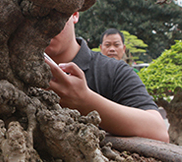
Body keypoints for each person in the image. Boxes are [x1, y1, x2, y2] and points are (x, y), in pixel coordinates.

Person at [45, 12, 169, 143]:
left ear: (75, 14)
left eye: (53, 12)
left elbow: (159, 131)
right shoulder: (21, 72)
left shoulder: (114, 71)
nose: (44, 25)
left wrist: (85, 100)